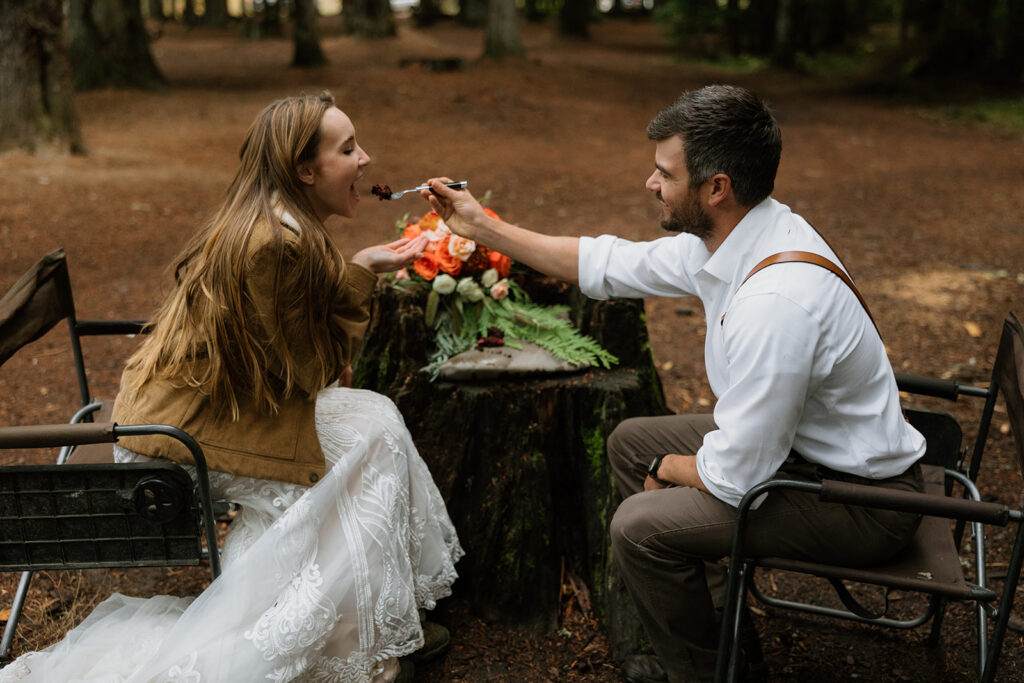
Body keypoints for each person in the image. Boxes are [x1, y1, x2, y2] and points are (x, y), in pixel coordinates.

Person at [420, 84, 926, 682]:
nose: (650, 183)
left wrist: (669, 468)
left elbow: (737, 477)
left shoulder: (778, 301)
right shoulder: (741, 235)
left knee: (638, 526)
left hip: (863, 503)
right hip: (804, 453)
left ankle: (708, 673)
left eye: (665, 172)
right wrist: (484, 229)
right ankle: (721, 627)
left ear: (717, 188)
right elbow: (605, 265)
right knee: (628, 441)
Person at [0, 92, 463, 683]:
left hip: (218, 407)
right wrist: (360, 278)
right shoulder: (275, 244)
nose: (366, 160)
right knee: (366, 453)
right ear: (304, 170)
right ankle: (333, 642)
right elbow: (308, 373)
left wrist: (357, 268)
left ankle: (374, 616)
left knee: (375, 419)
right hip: (174, 434)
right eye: (348, 149)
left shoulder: (281, 218)